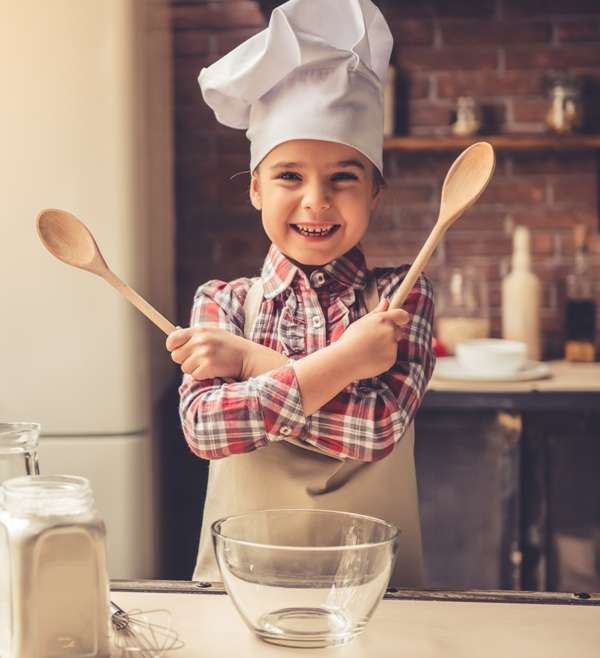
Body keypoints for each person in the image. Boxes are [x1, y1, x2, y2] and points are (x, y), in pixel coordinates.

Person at [165, 0, 435, 587]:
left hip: (377, 597)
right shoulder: (223, 301)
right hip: (240, 591)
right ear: (257, 187)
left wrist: (250, 362)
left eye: (344, 176)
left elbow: (376, 429)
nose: (316, 200)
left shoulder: (401, 295)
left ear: (375, 193)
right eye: (290, 175)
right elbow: (206, 429)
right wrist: (346, 362)